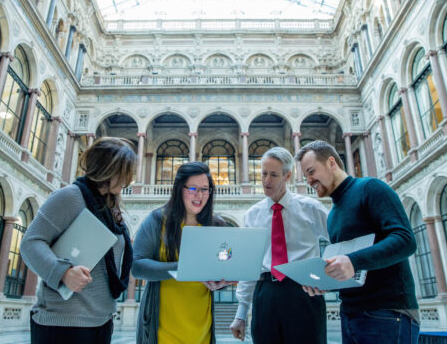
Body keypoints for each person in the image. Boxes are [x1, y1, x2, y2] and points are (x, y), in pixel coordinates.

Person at [296, 140, 419, 344]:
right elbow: (351, 270)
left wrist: (352, 262)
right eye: (305, 175)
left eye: (311, 171)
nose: (308, 180)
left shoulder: (370, 188)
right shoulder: (333, 214)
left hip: (387, 313)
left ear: (331, 162)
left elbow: (405, 240)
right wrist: (325, 282)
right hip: (351, 315)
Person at [21, 137, 136, 344]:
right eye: (125, 172)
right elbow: (31, 242)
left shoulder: (110, 207)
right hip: (63, 324)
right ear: (107, 169)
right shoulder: (70, 197)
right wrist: (63, 272)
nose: (129, 179)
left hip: (100, 322)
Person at [230, 147, 329, 344]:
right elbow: (249, 266)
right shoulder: (252, 215)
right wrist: (241, 314)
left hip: (304, 293)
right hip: (266, 294)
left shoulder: (311, 209)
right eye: (263, 174)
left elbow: (339, 241)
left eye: (273, 175)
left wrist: (325, 278)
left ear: (288, 176)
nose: (266, 181)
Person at [132, 162, 229, 344]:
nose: (199, 195)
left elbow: (219, 269)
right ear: (179, 189)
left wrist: (221, 283)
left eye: (205, 189)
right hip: (163, 331)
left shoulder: (216, 225)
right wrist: (184, 267)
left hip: (202, 329)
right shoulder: (157, 220)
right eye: (192, 188)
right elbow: (137, 266)